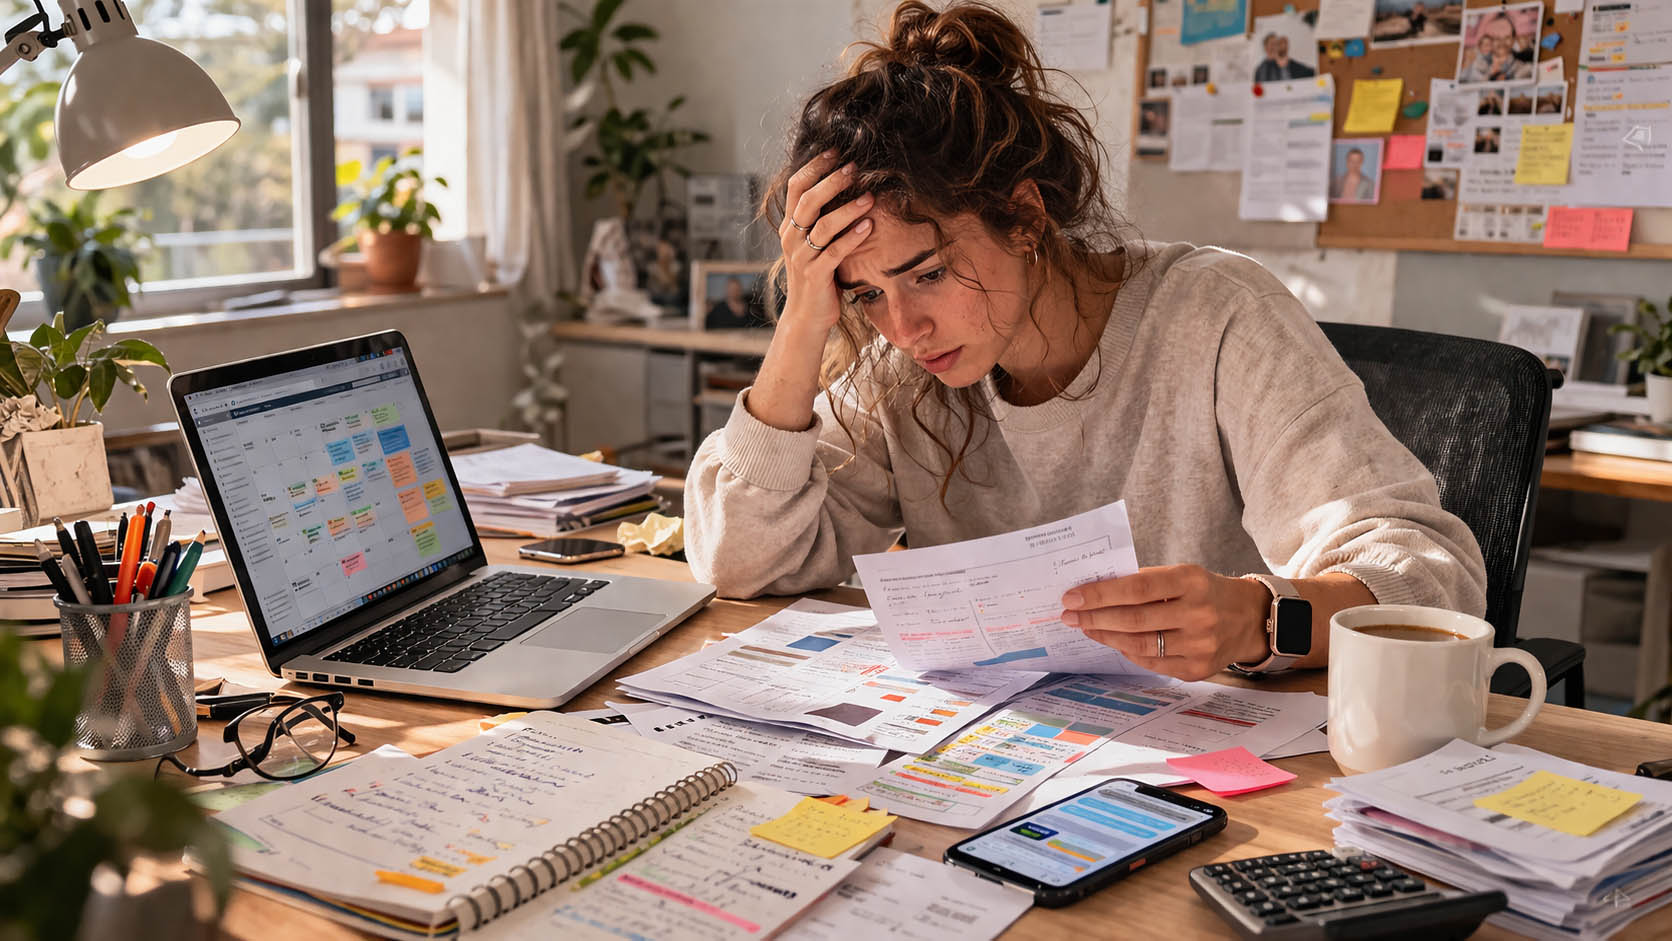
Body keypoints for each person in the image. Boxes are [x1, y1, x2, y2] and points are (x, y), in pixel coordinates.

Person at [686, 1, 1486, 682]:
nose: (901, 326)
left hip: (1231, 771)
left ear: (1026, 217)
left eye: (927, 273)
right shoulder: (904, 368)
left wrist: (1261, 618)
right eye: (863, 293)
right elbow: (742, 561)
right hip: (1018, 761)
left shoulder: (1213, 314)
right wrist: (802, 322)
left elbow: (1434, 580)